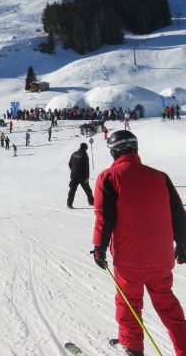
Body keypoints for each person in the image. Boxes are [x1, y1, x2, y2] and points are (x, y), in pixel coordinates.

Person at [91, 130, 186, 356]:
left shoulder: (109, 177)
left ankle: (133, 350)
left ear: (114, 152)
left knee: (129, 306)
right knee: (168, 306)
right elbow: (178, 215)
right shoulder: (160, 177)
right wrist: (182, 245)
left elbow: (104, 217)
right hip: (162, 259)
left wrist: (99, 248)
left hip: (130, 261)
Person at [67, 142, 94, 209]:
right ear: (85, 148)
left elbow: (70, 163)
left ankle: (69, 204)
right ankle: (91, 202)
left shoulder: (74, 153)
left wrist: (73, 170)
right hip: (82, 177)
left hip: (74, 176)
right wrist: (87, 177)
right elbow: (86, 167)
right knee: (88, 190)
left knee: (72, 190)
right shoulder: (84, 155)